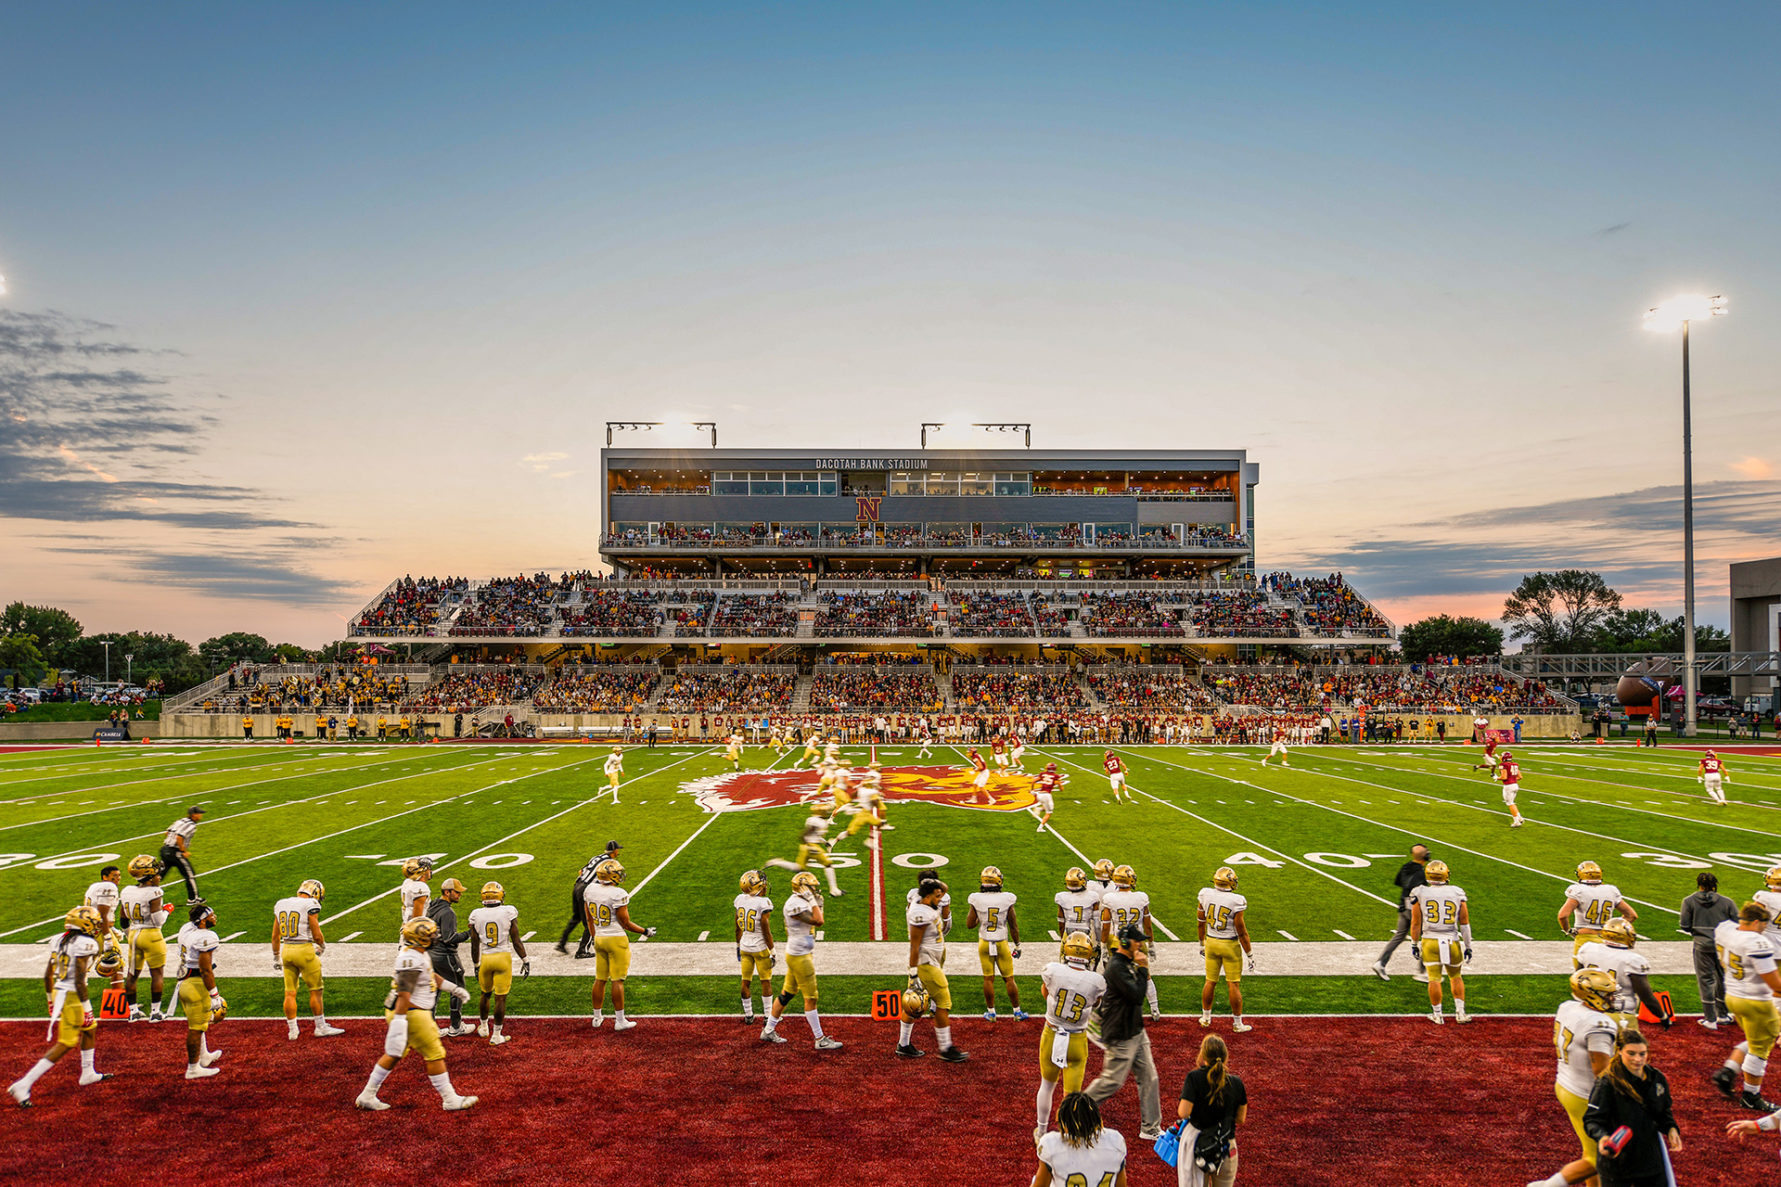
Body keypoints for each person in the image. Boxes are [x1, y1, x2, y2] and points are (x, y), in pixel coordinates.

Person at [354, 918, 477, 1111]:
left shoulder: (417, 953)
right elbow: (405, 993)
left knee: (394, 1054)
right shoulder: (411, 959)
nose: (435, 937)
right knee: (435, 1053)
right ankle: (450, 1099)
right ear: (421, 939)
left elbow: (430, 975)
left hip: (407, 1011)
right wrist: (399, 1023)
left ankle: (367, 1094)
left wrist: (453, 988)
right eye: (431, 935)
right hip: (412, 1012)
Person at [1525, 967, 1620, 1187]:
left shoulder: (1567, 1007)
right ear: (1593, 995)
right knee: (1598, 1158)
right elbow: (1601, 1072)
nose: (1612, 998)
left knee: (1590, 1149)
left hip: (1565, 1083)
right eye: (1608, 994)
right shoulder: (1599, 1025)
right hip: (1586, 1093)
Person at [7, 906, 109, 1106]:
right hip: (73, 994)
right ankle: (24, 1084)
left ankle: (88, 1072)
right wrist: (87, 1008)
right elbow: (79, 980)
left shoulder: (58, 939)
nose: (97, 926)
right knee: (67, 1042)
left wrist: (50, 1000)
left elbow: (47, 973)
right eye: (94, 922)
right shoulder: (86, 943)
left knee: (90, 1030)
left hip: (58, 990)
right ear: (86, 924)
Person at [1084, 923, 1162, 1141]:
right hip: (1120, 1034)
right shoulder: (1116, 968)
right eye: (1138, 941)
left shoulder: (1126, 963)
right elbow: (1137, 995)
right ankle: (1077, 1111)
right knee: (1111, 1082)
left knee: (1149, 1078)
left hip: (1135, 1031)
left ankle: (1151, 1128)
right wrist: (1144, 968)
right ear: (1126, 943)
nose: (1142, 945)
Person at [1581, 1030, 1681, 1187]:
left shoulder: (1657, 1078)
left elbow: (1663, 1111)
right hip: (1619, 1166)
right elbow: (1592, 1120)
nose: (1638, 1059)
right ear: (1619, 1051)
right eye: (1631, 1053)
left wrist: (1671, 1128)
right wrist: (1602, 1137)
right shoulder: (1607, 1083)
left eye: (1642, 1054)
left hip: (1650, 1162)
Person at [1035, 932, 1107, 1141]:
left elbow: (1045, 992)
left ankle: (1041, 1132)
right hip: (1076, 1039)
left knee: (1047, 1086)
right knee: (1072, 1094)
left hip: (1052, 1033)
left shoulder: (1053, 971)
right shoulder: (1096, 981)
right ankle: (1066, 1135)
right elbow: (1095, 1004)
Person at [1710, 901, 1781, 1111]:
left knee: (1755, 1038)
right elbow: (1773, 982)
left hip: (1732, 995)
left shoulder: (1724, 929)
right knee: (1761, 1048)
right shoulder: (1756, 943)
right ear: (1757, 922)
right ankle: (1751, 1095)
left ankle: (1729, 1070)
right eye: (1763, 925)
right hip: (1755, 1001)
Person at [761, 870, 841, 1050]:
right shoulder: (795, 905)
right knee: (811, 997)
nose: (815, 891)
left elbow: (819, 917)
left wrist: (818, 904)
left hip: (797, 953)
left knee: (787, 994)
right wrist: (814, 902)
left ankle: (768, 1030)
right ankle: (820, 1039)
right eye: (812, 888)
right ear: (803, 888)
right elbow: (819, 921)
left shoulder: (799, 901)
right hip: (800, 956)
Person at [899, 876, 967, 1062]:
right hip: (926, 963)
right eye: (937, 896)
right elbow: (914, 945)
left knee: (915, 1006)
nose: (941, 898)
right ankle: (946, 1048)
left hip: (931, 960)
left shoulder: (921, 900)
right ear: (928, 896)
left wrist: (935, 885)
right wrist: (913, 974)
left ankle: (903, 1044)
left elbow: (944, 889)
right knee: (943, 1003)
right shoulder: (920, 913)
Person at [584, 857, 656, 1031]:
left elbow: (588, 918)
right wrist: (645, 931)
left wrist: (594, 937)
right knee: (617, 980)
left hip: (599, 938)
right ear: (611, 876)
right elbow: (626, 923)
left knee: (600, 979)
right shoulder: (618, 894)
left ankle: (596, 1017)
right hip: (616, 939)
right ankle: (620, 1020)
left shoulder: (590, 889)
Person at [271, 878, 344, 1041]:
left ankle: (292, 1031)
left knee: (289, 992)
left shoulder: (281, 903)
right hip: (304, 950)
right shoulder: (311, 904)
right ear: (316, 893)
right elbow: (316, 932)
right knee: (316, 990)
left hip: (286, 950)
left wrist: (276, 956)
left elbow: (275, 935)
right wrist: (322, 946)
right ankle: (320, 1027)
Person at [1176, 1034, 1246, 1187]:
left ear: (1203, 1055)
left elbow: (1183, 1112)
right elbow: (1240, 1118)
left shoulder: (1194, 1078)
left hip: (1196, 1144)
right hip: (1226, 1146)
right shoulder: (1237, 1083)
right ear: (1225, 1057)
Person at [1576, 919, 1671, 1030]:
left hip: (1589, 1009)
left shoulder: (1588, 949)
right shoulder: (1632, 960)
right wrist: (1663, 1016)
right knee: (1628, 1045)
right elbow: (1646, 997)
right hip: (1620, 1013)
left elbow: (1578, 979)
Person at [1408, 859, 1471, 1024]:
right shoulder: (1457, 892)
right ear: (1446, 875)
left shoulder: (1420, 892)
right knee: (1456, 976)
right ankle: (1461, 1013)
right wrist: (1468, 946)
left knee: (1434, 978)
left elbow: (1415, 922)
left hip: (1430, 941)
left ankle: (1438, 1014)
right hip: (1452, 939)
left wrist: (1414, 943)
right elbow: (1464, 923)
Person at [467, 881, 527, 1045]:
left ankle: (484, 1027)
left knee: (485, 994)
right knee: (500, 998)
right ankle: (496, 1035)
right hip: (503, 958)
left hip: (486, 958)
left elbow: (474, 943)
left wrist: (475, 964)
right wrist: (525, 959)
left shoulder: (475, 914)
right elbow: (516, 939)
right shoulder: (508, 911)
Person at [1197, 867, 1255, 1032]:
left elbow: (1200, 921)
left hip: (1211, 941)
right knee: (1233, 984)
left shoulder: (1205, 894)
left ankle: (1206, 1018)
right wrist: (1250, 954)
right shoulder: (1237, 900)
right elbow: (1242, 931)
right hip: (1229, 945)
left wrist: (1201, 943)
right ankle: (1237, 1023)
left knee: (1210, 981)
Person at [173, 901, 226, 1080]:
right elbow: (205, 970)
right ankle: (193, 1068)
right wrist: (215, 995)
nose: (215, 917)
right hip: (196, 983)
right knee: (196, 1028)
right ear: (202, 921)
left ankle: (204, 1056)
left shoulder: (187, 929)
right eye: (211, 914)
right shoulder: (206, 937)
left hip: (184, 981)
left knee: (198, 1024)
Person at [1680, 871, 1738, 1029]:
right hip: (1722, 946)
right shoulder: (1727, 902)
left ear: (1698, 884)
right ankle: (1723, 1014)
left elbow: (1684, 925)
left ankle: (1710, 1018)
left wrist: (1698, 931)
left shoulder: (1689, 901)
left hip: (1701, 944)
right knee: (1723, 978)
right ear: (1715, 884)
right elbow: (1737, 922)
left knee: (1705, 980)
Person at [1032, 1093, 1128, 1187]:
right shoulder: (1115, 1141)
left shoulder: (1051, 1144)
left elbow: (1040, 1185)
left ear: (1065, 1123)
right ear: (1096, 1119)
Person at [966, 866, 1024, 1021]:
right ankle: (1017, 1012)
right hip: (1001, 942)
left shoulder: (976, 898)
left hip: (984, 942)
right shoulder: (1007, 898)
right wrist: (1017, 945)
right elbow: (1013, 925)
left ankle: (991, 1012)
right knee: (1009, 979)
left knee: (988, 979)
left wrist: (980, 917)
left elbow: (970, 924)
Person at [119, 855, 169, 1021]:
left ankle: (133, 1012)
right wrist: (168, 910)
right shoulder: (155, 892)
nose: (159, 876)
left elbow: (123, 918)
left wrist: (128, 934)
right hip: (151, 935)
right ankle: (155, 1013)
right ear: (149, 875)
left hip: (134, 934)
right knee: (157, 974)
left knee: (132, 975)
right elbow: (158, 920)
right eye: (156, 873)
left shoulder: (126, 891)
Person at [1372, 844, 1431, 982]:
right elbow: (1417, 891)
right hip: (1414, 908)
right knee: (1428, 937)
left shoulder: (1406, 866)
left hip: (1403, 906)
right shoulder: (1421, 873)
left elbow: (1399, 881)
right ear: (1425, 856)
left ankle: (1380, 963)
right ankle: (1423, 971)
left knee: (1399, 935)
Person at [1561, 862, 1638, 967]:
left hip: (1585, 938)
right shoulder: (1611, 890)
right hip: (1606, 939)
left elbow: (1563, 915)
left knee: (1583, 977)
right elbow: (1631, 915)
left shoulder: (1578, 890)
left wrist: (1568, 930)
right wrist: (1612, 928)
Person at [559, 840, 623, 957]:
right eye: (618, 850)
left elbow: (581, 871)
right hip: (586, 889)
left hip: (577, 885)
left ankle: (562, 943)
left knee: (576, 916)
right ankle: (582, 951)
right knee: (590, 921)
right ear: (614, 851)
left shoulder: (596, 857)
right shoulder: (611, 862)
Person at [426, 878, 473, 1037]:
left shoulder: (433, 906)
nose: (460, 894)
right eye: (457, 892)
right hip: (445, 955)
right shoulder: (448, 912)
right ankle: (455, 1026)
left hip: (431, 953)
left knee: (435, 989)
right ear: (447, 892)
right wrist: (469, 934)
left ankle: (431, 1026)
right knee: (458, 987)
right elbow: (449, 938)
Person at [764, 803, 844, 896]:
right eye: (825, 811)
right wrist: (808, 843)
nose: (827, 812)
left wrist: (824, 842)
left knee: (799, 868)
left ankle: (777, 862)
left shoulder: (813, 820)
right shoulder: (819, 822)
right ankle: (834, 890)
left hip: (806, 846)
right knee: (828, 864)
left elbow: (815, 834)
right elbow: (807, 833)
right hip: (811, 846)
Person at [734, 869, 778, 1025]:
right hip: (760, 947)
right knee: (765, 981)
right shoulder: (763, 903)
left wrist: (738, 945)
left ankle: (749, 1015)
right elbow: (766, 929)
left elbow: (737, 926)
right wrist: (772, 951)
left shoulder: (739, 899)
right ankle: (767, 1016)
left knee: (745, 981)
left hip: (745, 946)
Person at [158, 805, 204, 900]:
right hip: (175, 852)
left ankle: (139, 890)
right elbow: (179, 837)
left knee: (158, 876)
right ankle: (193, 899)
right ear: (193, 815)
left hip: (165, 849)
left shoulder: (180, 821)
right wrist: (183, 850)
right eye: (199, 814)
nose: (201, 816)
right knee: (190, 875)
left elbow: (167, 832)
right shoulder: (191, 825)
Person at [83, 865, 122, 934]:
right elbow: (102, 914)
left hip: (91, 927)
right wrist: (107, 937)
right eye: (115, 875)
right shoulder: (108, 886)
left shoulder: (94, 886)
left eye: (119, 875)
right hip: (100, 930)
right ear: (105, 877)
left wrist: (113, 929)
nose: (118, 878)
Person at [1495, 749, 1527, 827]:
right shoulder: (1515, 764)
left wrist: (1496, 778)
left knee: (1510, 803)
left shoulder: (1503, 765)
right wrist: (1512, 780)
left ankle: (1516, 821)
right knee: (1512, 803)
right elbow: (1520, 777)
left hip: (1508, 786)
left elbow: (1504, 777)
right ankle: (1520, 818)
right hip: (1515, 785)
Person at [1033, 761, 1063, 833]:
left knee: (1046, 807)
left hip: (1039, 794)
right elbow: (1061, 789)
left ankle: (1039, 809)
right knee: (1049, 812)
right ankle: (1040, 828)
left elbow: (1033, 781)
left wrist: (1032, 790)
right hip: (1046, 795)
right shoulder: (1056, 776)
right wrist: (1059, 785)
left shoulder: (1042, 774)